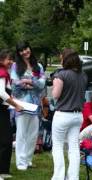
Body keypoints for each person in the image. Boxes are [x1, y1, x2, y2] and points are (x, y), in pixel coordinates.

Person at [51, 49, 88, 180]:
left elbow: (55, 95)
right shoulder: (83, 75)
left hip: (62, 114)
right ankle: (73, 177)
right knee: (74, 147)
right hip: (77, 115)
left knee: (58, 146)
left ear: (65, 59)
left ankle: (59, 177)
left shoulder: (61, 75)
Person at [10, 41, 46, 170]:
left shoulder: (38, 66)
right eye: (22, 50)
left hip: (35, 104)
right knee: (21, 134)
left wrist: (28, 81)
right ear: (19, 53)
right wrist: (30, 84)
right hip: (21, 104)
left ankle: (28, 160)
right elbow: (14, 83)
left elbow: (42, 84)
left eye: (26, 48)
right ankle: (21, 162)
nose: (25, 52)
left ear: (30, 48)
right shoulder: (15, 66)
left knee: (33, 134)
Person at [0, 49, 23, 179]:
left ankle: (3, 170)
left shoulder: (4, 73)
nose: (11, 61)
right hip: (1, 111)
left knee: (5, 140)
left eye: (12, 59)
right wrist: (16, 105)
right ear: (1, 59)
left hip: (3, 110)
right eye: (9, 59)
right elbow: (1, 93)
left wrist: (11, 98)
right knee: (5, 140)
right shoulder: (2, 73)